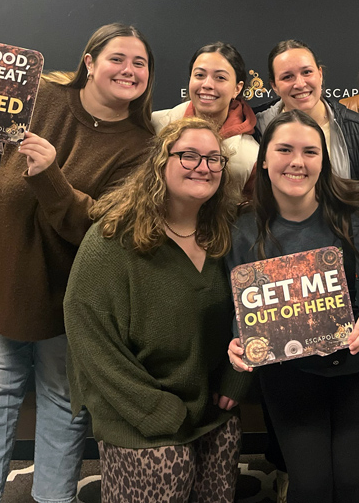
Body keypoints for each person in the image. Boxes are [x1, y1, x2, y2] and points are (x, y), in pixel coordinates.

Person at [0, 23, 156, 503]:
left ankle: (53, 497)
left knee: (64, 402)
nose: (129, 70)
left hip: (71, 295)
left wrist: (50, 176)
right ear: (89, 61)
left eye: (139, 62)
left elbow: (96, 228)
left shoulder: (142, 147)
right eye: (118, 58)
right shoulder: (41, 96)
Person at [226, 109, 359, 503]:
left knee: (352, 482)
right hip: (291, 372)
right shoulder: (242, 228)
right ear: (263, 159)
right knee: (310, 487)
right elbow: (238, 309)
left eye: (310, 151)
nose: (297, 161)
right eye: (285, 150)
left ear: (323, 160)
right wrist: (238, 341)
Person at [64, 117, 249, 503]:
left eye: (214, 158)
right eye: (189, 156)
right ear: (160, 163)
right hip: (137, 406)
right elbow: (88, 335)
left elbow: (254, 317)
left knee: (223, 453)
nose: (203, 166)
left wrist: (236, 379)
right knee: (169, 464)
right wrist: (158, 412)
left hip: (206, 403)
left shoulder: (226, 235)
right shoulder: (113, 238)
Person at [255, 39, 359, 195]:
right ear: (274, 86)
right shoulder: (256, 129)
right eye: (287, 77)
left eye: (307, 72)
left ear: (320, 74)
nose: (300, 84)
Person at [152, 41, 259, 195]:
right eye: (200, 75)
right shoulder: (155, 125)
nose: (207, 84)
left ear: (237, 88)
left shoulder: (251, 156)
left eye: (220, 77)